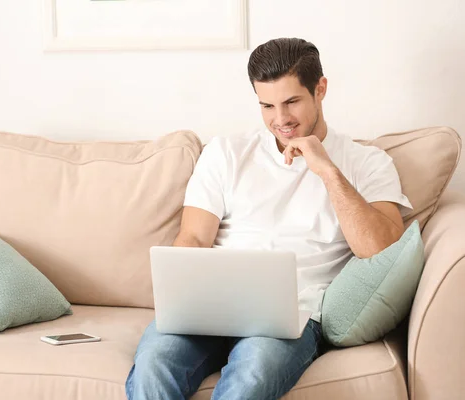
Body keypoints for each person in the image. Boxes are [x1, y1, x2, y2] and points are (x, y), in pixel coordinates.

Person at [125, 37, 413, 400]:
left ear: (320, 89)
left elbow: (380, 250)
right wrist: (184, 299)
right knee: (154, 364)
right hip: (212, 306)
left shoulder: (368, 163)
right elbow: (194, 239)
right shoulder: (226, 153)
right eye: (267, 105)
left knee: (254, 373)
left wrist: (325, 169)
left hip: (292, 317)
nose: (281, 119)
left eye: (292, 101)